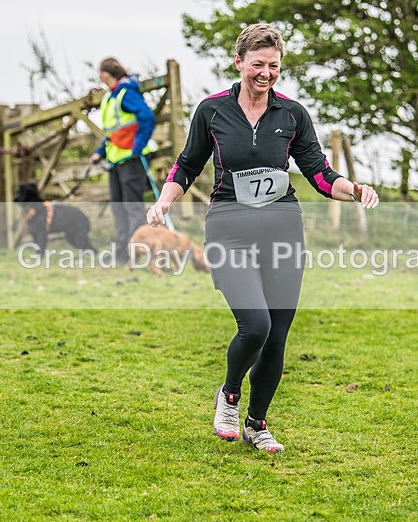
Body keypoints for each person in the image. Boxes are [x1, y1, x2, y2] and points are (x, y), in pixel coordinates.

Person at [146, 24, 379, 454]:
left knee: (278, 334)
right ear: (239, 62)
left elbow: (320, 174)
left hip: (282, 231)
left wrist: (355, 189)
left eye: (273, 65)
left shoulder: (292, 115)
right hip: (229, 230)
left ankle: (257, 423)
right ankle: (229, 396)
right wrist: (164, 202)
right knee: (255, 325)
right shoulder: (212, 111)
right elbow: (187, 165)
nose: (266, 73)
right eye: (258, 64)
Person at [90, 57, 156, 264]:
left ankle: (136, 254)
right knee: (118, 208)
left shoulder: (126, 94)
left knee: (132, 208)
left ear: (104, 75)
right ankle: (121, 254)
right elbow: (113, 132)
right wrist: (100, 151)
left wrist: (137, 148)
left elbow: (147, 118)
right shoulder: (110, 98)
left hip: (132, 159)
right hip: (115, 160)